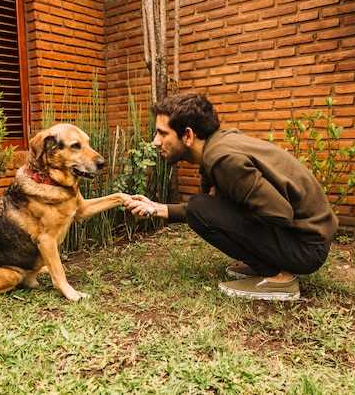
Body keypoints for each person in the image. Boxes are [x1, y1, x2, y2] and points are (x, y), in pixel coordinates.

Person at [124, 93, 338, 301]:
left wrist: (229, 212)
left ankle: (279, 278)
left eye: (162, 133)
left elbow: (279, 214)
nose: (155, 142)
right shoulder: (219, 144)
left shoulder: (224, 159)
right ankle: (270, 265)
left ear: (188, 135)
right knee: (202, 207)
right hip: (307, 240)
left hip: (307, 249)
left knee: (201, 207)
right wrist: (158, 208)